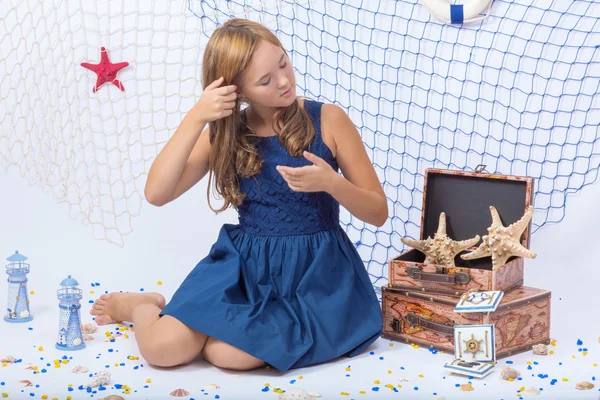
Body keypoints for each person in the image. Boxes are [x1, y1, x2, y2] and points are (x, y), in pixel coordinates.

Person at [91, 18, 387, 373]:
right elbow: (156, 193)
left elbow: (378, 212)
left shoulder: (329, 120)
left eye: (283, 63)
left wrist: (332, 184)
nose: (284, 81)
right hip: (244, 267)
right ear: (238, 91)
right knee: (161, 350)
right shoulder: (227, 133)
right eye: (266, 80)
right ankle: (139, 305)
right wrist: (196, 117)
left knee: (227, 355)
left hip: (315, 274)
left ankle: (212, 327)